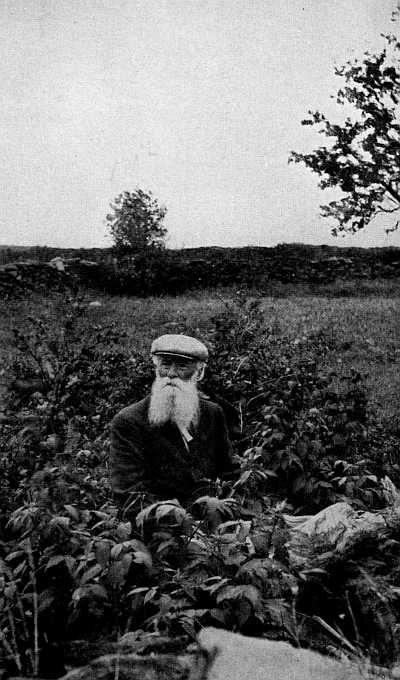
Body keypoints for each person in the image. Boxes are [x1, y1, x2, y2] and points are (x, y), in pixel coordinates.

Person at [110, 334, 236, 509]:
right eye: (165, 364)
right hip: (158, 525)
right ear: (156, 368)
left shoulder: (213, 413)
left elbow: (230, 472)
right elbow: (129, 494)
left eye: (182, 366)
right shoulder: (129, 421)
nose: (171, 374)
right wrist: (182, 524)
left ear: (199, 373)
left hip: (210, 517)